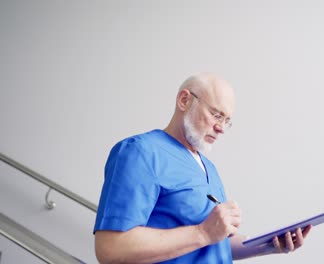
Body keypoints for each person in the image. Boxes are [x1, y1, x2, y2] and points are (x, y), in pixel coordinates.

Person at [93, 72, 312, 263]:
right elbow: (111, 248)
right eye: (216, 115)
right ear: (184, 100)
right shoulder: (140, 152)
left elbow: (214, 246)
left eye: (227, 121)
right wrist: (203, 232)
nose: (221, 128)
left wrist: (269, 244)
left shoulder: (209, 169)